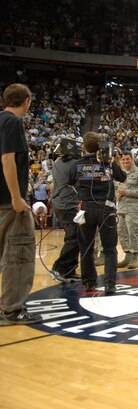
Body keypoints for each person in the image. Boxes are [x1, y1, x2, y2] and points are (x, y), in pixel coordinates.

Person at [0, 83, 41, 325]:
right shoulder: (12, 122)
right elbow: (7, 159)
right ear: (26, 100)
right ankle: (12, 310)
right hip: (8, 201)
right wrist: (16, 197)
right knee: (19, 254)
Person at [69, 132, 127, 294]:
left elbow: (70, 182)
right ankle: (110, 284)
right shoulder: (108, 164)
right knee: (109, 248)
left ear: (84, 147)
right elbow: (124, 178)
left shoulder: (77, 164)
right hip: (106, 208)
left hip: (85, 208)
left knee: (86, 246)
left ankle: (89, 282)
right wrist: (116, 160)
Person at [48, 138, 81, 283]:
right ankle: (59, 268)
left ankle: (69, 270)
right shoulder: (74, 163)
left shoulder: (57, 162)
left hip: (60, 202)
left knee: (73, 236)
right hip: (69, 204)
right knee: (75, 237)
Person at [115, 153, 138, 269]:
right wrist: (117, 194)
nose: (125, 161)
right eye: (123, 159)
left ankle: (135, 258)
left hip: (134, 209)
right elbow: (115, 188)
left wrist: (126, 192)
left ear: (132, 159)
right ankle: (127, 256)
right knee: (122, 233)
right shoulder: (119, 174)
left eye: (127, 159)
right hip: (121, 208)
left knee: (133, 233)